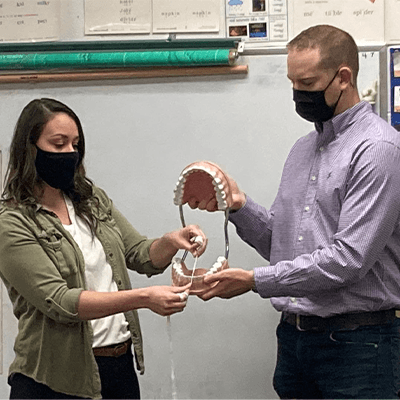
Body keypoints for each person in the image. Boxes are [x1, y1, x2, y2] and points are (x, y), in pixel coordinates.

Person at [191, 25, 400, 399]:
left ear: (344, 78)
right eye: (292, 83)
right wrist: (238, 205)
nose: (298, 95)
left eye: (306, 83)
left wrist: (256, 281)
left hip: (360, 345)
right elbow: (282, 246)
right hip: (295, 340)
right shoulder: (303, 150)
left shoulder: (378, 150)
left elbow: (348, 260)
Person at [0, 98, 208, 400]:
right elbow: (60, 302)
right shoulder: (11, 222)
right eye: (58, 145)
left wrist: (171, 241)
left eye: (75, 144)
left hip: (117, 366)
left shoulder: (90, 198)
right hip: (55, 380)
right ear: (29, 149)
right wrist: (142, 299)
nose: (70, 153)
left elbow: (138, 252)